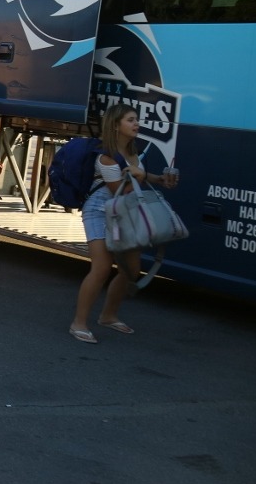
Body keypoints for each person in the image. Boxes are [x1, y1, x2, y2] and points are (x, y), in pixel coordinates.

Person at [68, 102, 178, 343]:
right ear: (116, 125)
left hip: (125, 212)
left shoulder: (133, 151)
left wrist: (159, 179)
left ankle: (108, 316)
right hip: (99, 211)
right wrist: (137, 175)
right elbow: (120, 188)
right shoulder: (106, 157)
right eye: (130, 120)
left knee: (131, 269)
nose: (136, 123)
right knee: (101, 268)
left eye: (136, 119)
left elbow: (136, 178)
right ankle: (79, 323)